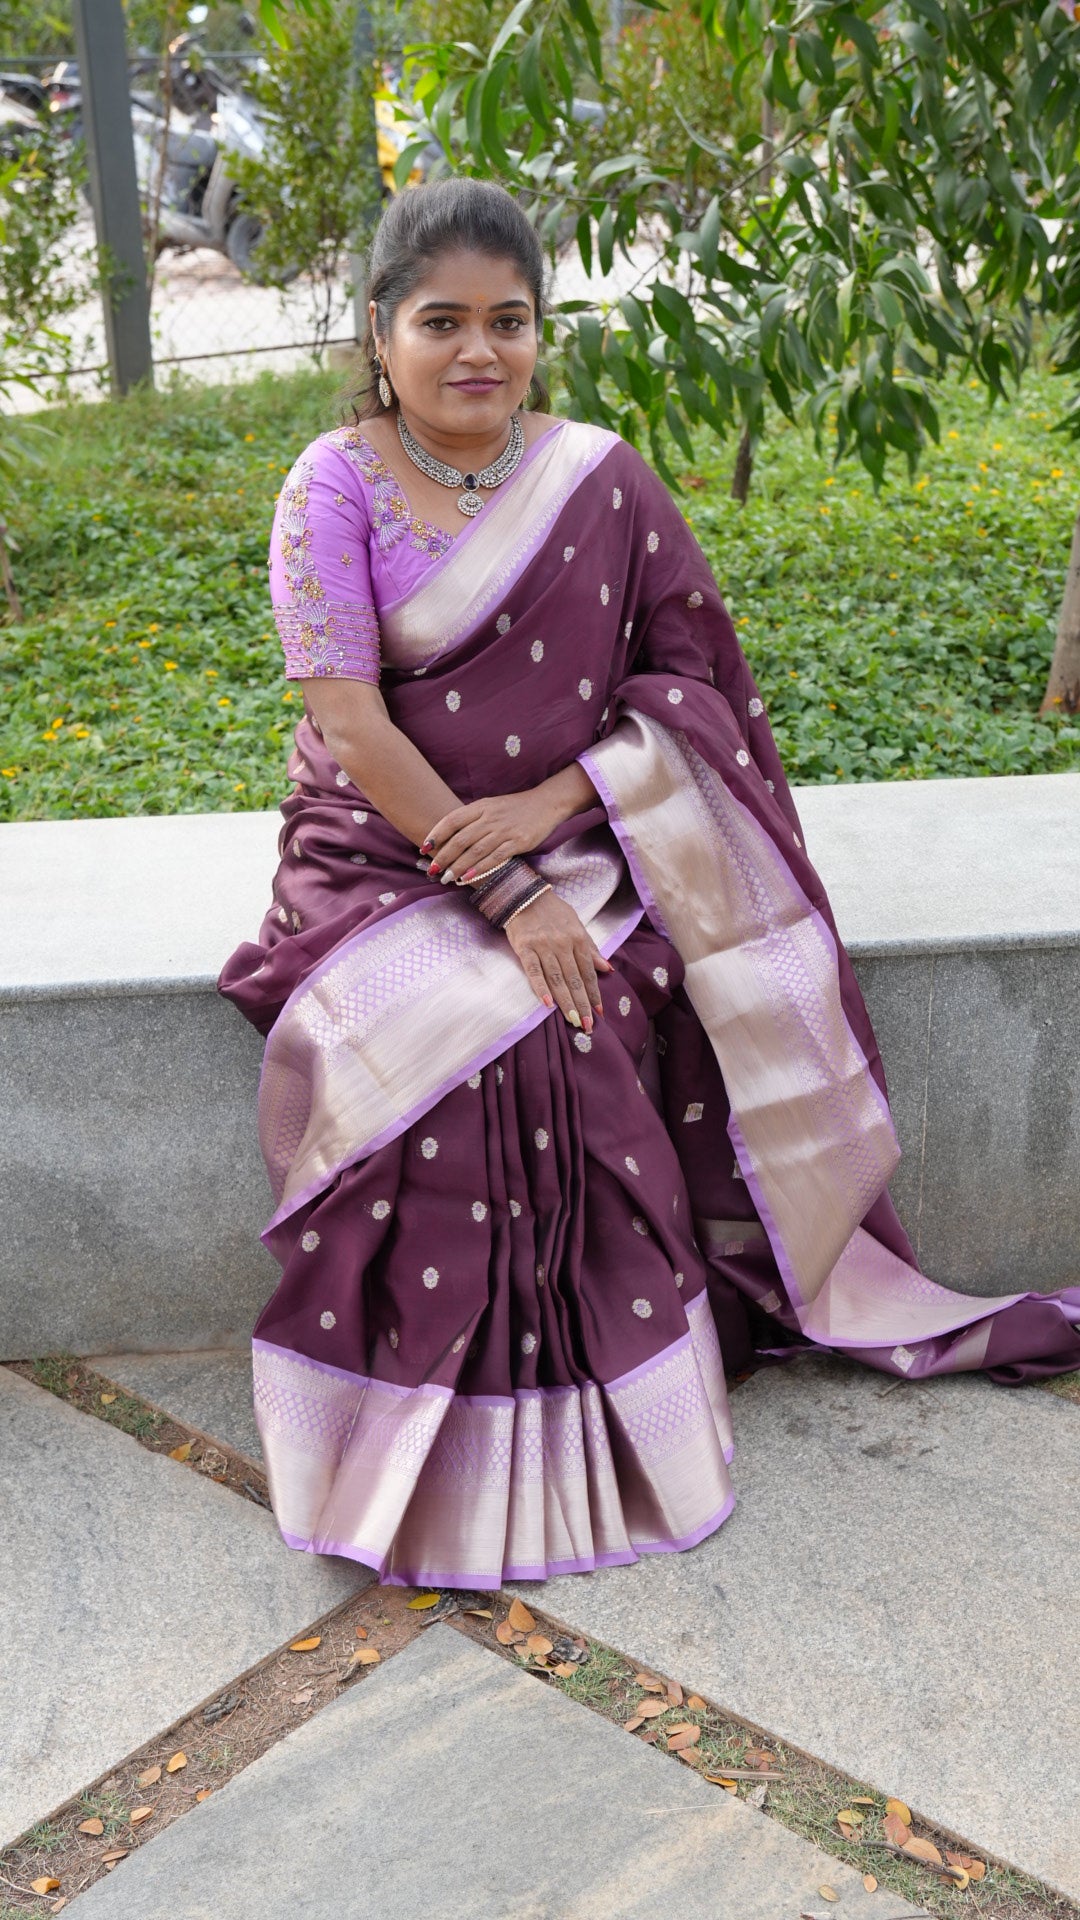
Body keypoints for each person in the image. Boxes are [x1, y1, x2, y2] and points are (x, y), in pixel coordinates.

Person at [219, 177, 1080, 1590]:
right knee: (475, 1048)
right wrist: (506, 894)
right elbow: (353, 727)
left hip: (572, 834)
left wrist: (557, 809)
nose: (479, 351)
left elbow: (686, 687)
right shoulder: (332, 482)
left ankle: (617, 1419)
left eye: (509, 321)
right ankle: (422, 1440)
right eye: (442, 322)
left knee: (580, 1021)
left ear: (540, 332)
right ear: (380, 332)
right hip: (381, 849)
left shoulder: (601, 478)